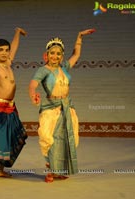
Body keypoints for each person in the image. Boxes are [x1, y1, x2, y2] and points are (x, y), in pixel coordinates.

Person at [28, 29, 95, 183]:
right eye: (52, 53)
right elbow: (32, 85)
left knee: (65, 138)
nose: (55, 56)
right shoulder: (43, 70)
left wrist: (79, 37)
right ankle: (51, 170)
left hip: (66, 106)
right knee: (49, 138)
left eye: (58, 53)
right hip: (51, 108)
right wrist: (33, 95)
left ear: (62, 56)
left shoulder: (64, 67)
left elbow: (76, 55)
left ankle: (59, 171)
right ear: (47, 54)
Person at [0, 27, 28, 182]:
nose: (5, 52)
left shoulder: (8, 63)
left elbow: (15, 47)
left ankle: (0, 170)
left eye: (6, 50)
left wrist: (17, 33)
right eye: (1, 50)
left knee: (8, 139)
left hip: (10, 109)